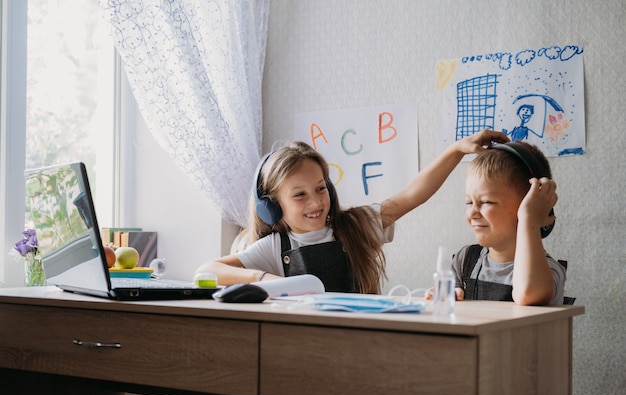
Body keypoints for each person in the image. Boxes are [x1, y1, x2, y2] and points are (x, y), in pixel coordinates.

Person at [194, 129, 509, 294]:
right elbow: (205, 271)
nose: (316, 202)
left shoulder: (357, 226)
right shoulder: (273, 250)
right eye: (299, 195)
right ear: (274, 205)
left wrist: (455, 150)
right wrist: (262, 278)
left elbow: (413, 194)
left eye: (321, 188)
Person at [449, 141, 566, 305]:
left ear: (529, 205)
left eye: (487, 202)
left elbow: (527, 293)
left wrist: (528, 218)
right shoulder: (465, 259)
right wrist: (442, 297)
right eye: (469, 202)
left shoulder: (547, 271)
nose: (472, 213)